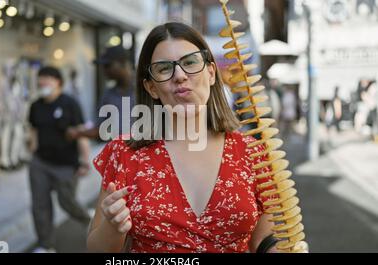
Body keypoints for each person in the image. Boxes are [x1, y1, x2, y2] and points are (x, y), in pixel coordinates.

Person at [86, 22, 307, 253]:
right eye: (164, 68)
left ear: (211, 73)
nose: (180, 76)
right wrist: (113, 226)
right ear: (151, 88)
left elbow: (264, 239)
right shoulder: (124, 154)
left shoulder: (254, 154)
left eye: (190, 62)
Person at [28, 66, 91, 253]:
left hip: (65, 164)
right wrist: (32, 149)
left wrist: (85, 161)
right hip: (40, 163)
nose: (43, 82)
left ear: (58, 82)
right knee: (40, 206)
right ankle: (45, 245)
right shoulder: (35, 105)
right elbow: (33, 129)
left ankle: (89, 221)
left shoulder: (70, 103)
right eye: (40, 79)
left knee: (67, 202)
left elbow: (81, 133)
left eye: (47, 78)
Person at [66, 46, 135, 141]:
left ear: (122, 63)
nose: (104, 70)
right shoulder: (108, 94)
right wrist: (79, 132)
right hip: (120, 152)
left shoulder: (147, 87)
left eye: (108, 65)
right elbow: (102, 130)